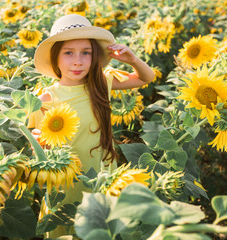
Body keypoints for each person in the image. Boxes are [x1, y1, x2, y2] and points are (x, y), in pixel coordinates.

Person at [29, 14, 155, 238]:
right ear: (55, 57)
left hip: (103, 179)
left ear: (94, 56)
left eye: (85, 52)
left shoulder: (102, 82)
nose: (77, 61)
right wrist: (38, 145)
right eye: (68, 53)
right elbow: (38, 151)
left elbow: (145, 78)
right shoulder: (44, 100)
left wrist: (133, 60)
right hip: (66, 188)